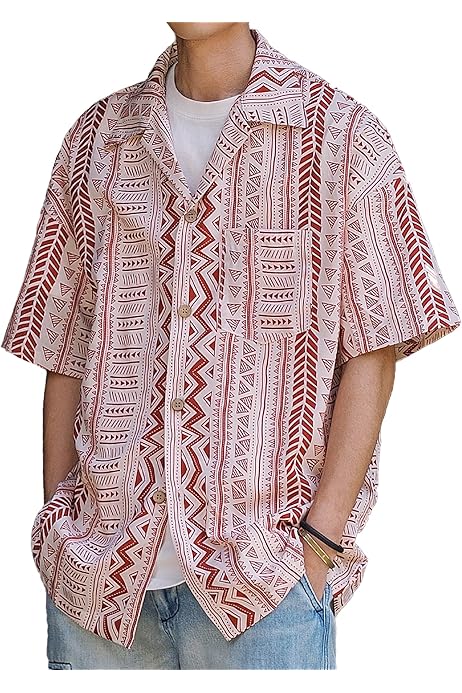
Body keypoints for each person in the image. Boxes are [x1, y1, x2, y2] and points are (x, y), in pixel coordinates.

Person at [2, 22, 460, 670]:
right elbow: (64, 345)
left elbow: (375, 348)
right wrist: (60, 525)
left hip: (264, 590)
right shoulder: (97, 141)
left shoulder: (342, 137)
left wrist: (319, 545)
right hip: (97, 592)